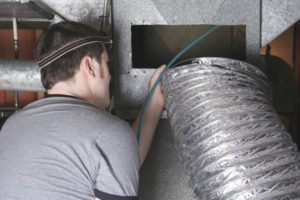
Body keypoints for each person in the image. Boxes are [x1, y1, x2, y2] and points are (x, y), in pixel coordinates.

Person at [0, 21, 165, 200]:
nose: (110, 76)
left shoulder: (11, 127)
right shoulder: (109, 134)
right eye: (106, 64)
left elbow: (114, 164)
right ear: (89, 66)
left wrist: (153, 103)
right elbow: (108, 150)